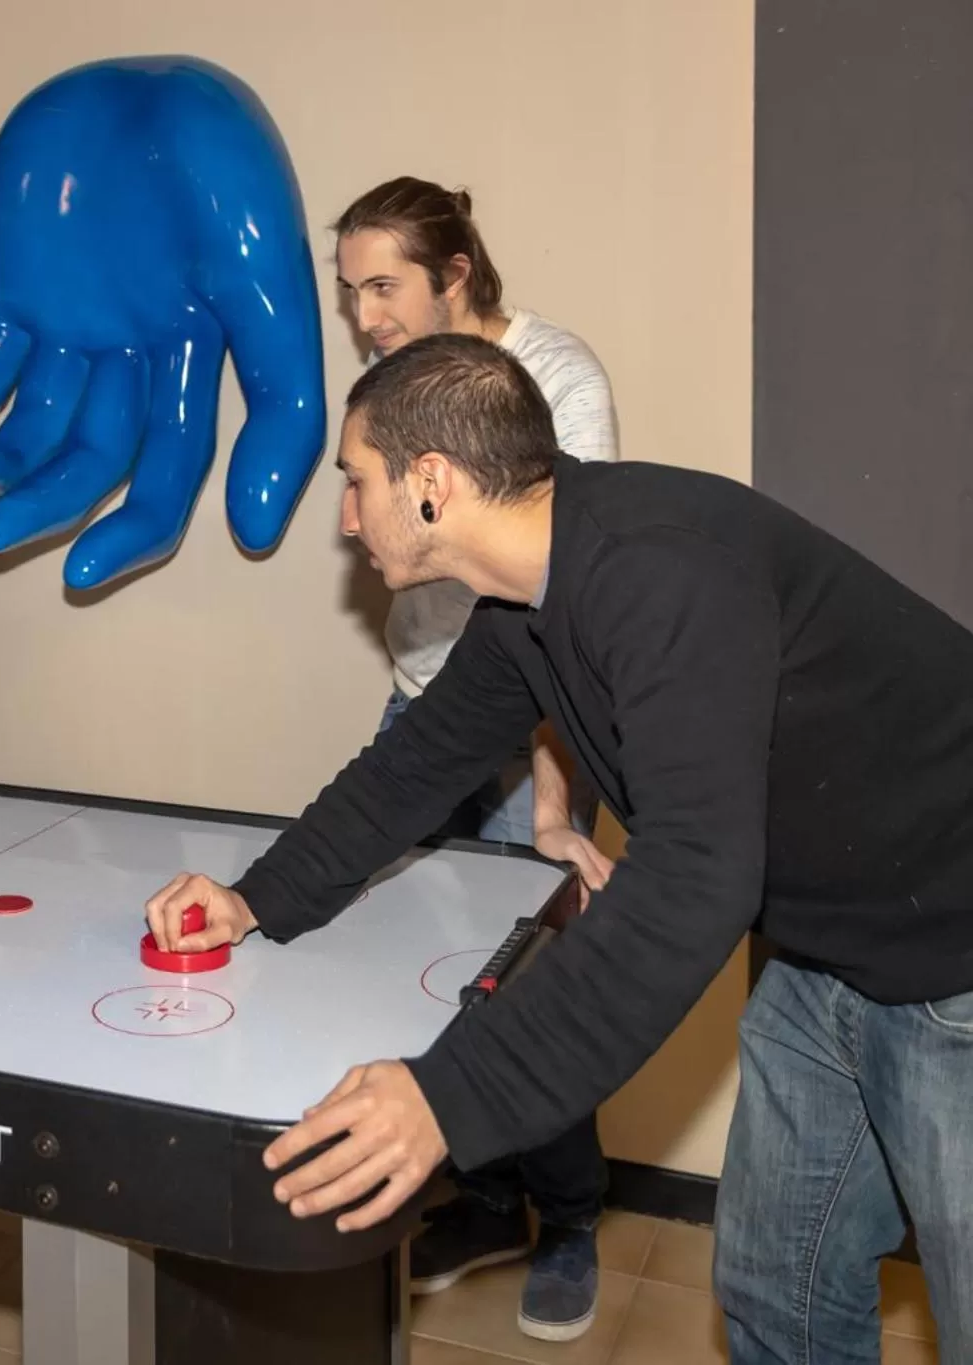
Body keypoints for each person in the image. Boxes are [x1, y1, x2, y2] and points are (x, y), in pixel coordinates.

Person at [145, 332, 973, 1365]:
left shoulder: (659, 572)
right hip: (833, 952)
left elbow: (693, 877)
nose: (346, 516)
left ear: (431, 484)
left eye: (355, 482)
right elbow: (414, 769)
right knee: (775, 1291)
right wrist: (254, 898)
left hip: (956, 948)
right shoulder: (528, 605)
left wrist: (449, 1098)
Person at [331, 175, 619, 1338]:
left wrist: (552, 816)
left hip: (536, 728)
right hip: (427, 710)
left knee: (530, 996)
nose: (364, 315)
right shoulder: (390, 389)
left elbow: (569, 610)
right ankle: (488, 1197)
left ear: (455, 274)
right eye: (348, 292)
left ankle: (572, 1217)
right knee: (411, 967)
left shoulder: (556, 382)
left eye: (384, 286)